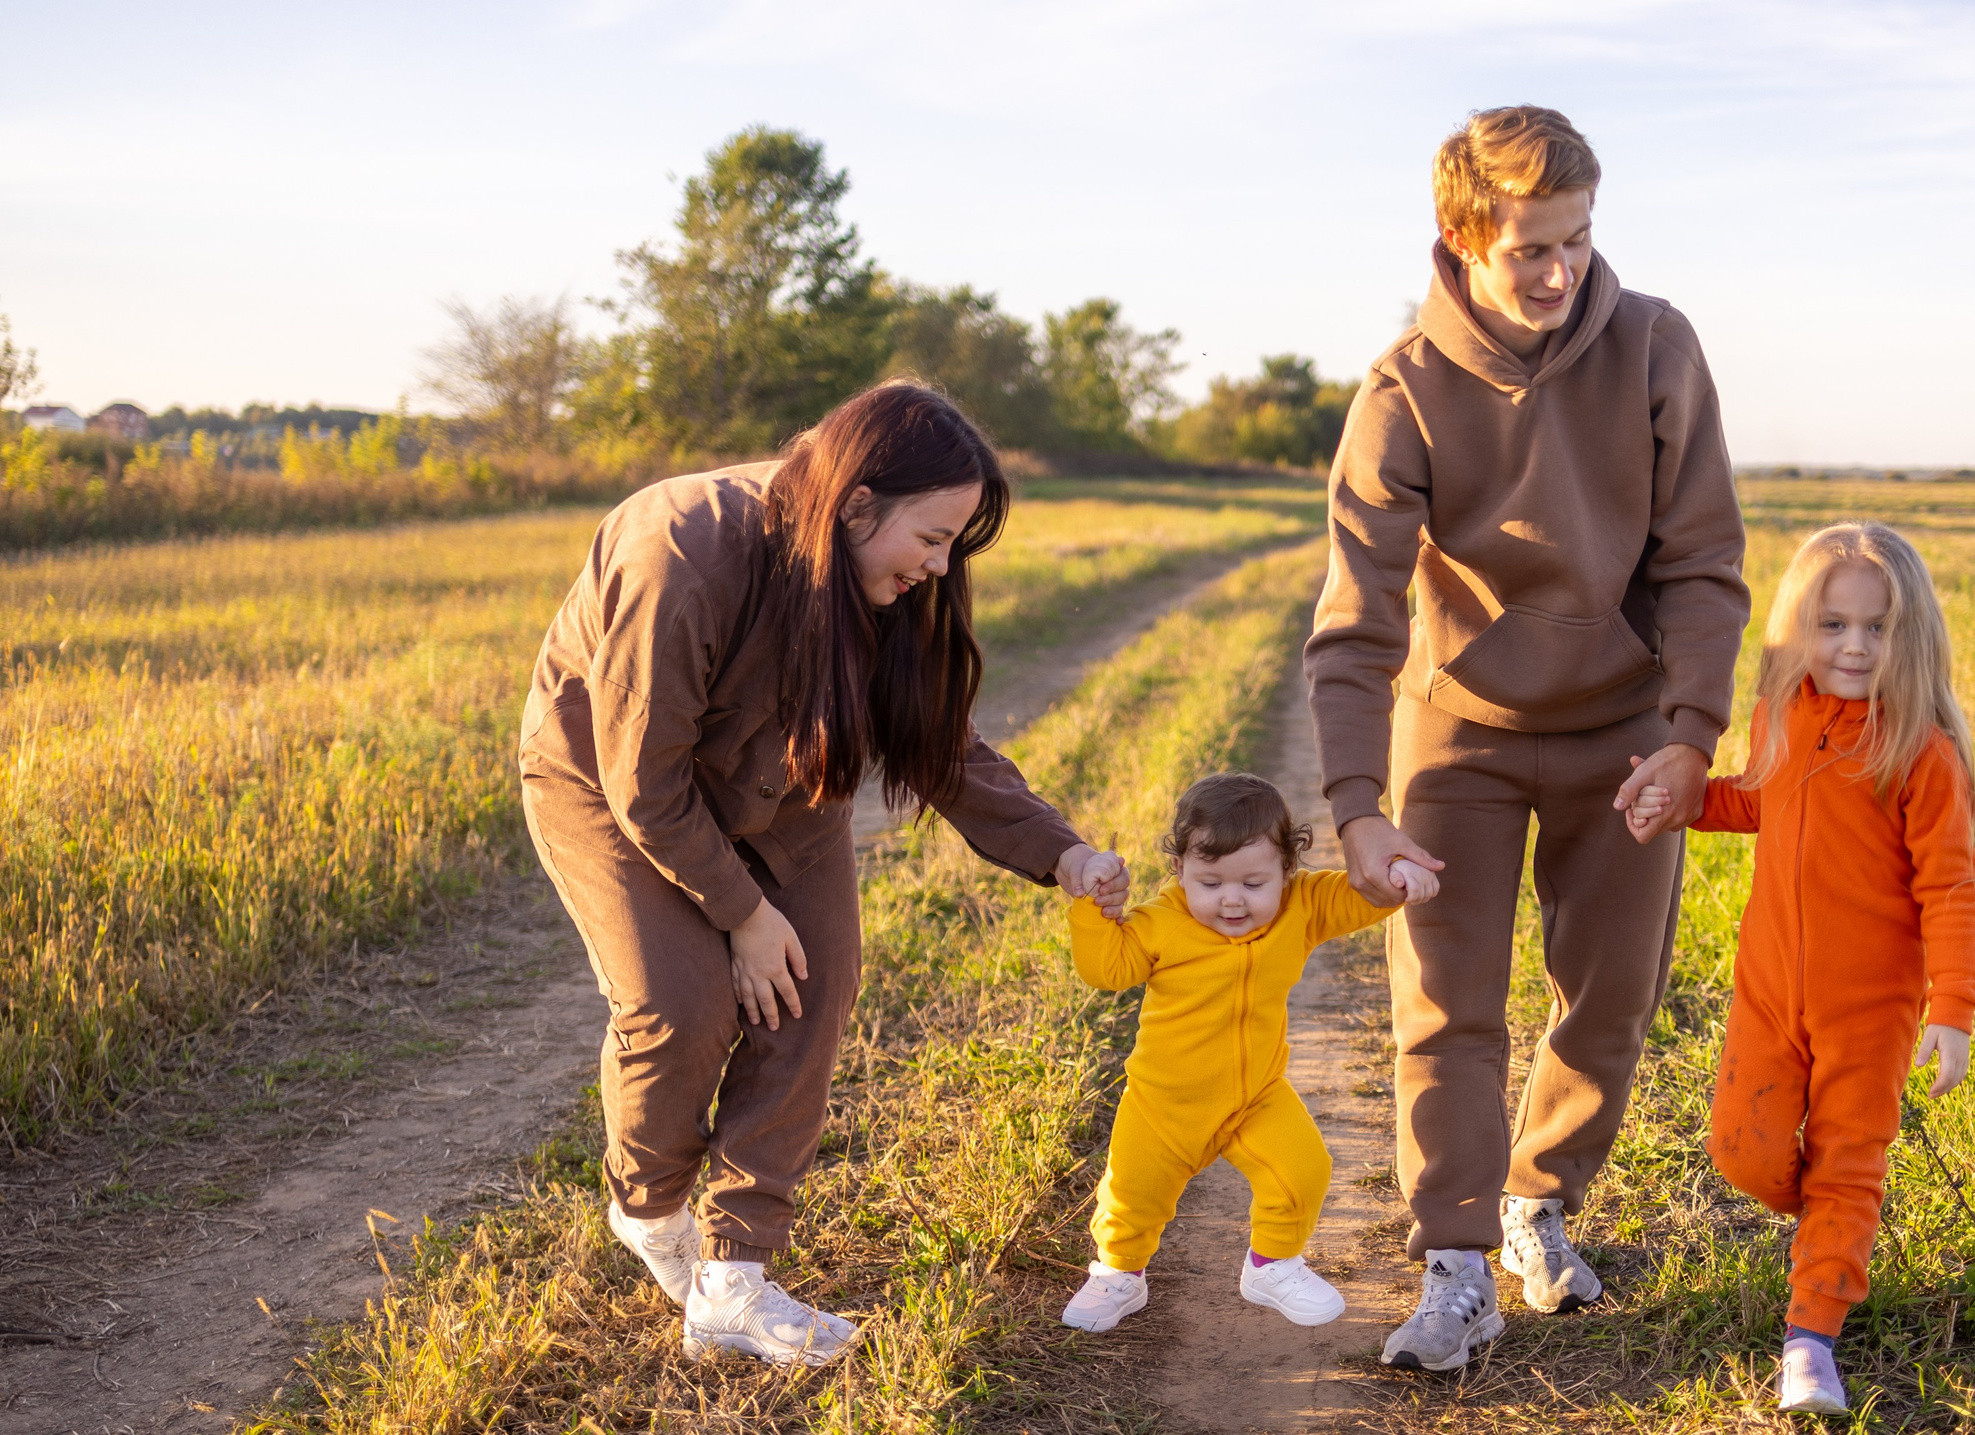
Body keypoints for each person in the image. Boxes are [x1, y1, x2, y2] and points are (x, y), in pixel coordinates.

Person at [519, 384, 1129, 1368]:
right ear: (855, 504)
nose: (938, 567)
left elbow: (942, 744)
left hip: (783, 784)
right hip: (612, 780)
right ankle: (649, 1204)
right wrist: (744, 915)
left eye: (953, 545)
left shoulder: (886, 587)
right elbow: (648, 784)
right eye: (930, 537)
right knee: (681, 1004)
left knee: (815, 988)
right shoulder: (680, 548)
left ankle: (734, 1279)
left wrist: (1063, 851)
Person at [1306, 105, 1751, 1372]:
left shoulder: (1657, 346)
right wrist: (1358, 804)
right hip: (1459, 735)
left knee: (1608, 998)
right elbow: (1354, 623)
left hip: (1621, 737)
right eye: (1530, 249)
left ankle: (1534, 1203)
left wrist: (1689, 734)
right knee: (1445, 1007)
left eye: (1577, 240)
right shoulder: (1403, 393)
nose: (1560, 272)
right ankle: (1454, 1267)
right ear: (1460, 237)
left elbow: (1705, 563)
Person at [1627, 523, 1975, 1413]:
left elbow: (1954, 885)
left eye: (1879, 628)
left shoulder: (1920, 752)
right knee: (1742, 1152)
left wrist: (1954, 1006)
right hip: (1769, 988)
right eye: (1834, 625)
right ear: (1799, 629)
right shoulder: (1782, 717)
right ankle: (1835, 1222)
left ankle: (1811, 1338)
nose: (1857, 646)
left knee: (1848, 1163)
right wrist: (1684, 801)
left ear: (1915, 639)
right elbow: (1760, 798)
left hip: (1871, 1008)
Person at [1057, 773, 1435, 1334]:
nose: (1231, 900)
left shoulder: (1300, 908)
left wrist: (1396, 877)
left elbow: (1356, 896)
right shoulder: (1161, 923)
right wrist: (1093, 910)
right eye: (1209, 883)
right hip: (1164, 1103)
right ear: (1179, 871)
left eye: (1253, 883)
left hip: (1256, 1096)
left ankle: (1272, 1265)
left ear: (1287, 873)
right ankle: (1119, 1274)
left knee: (1303, 1170)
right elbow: (1105, 969)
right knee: (1132, 1197)